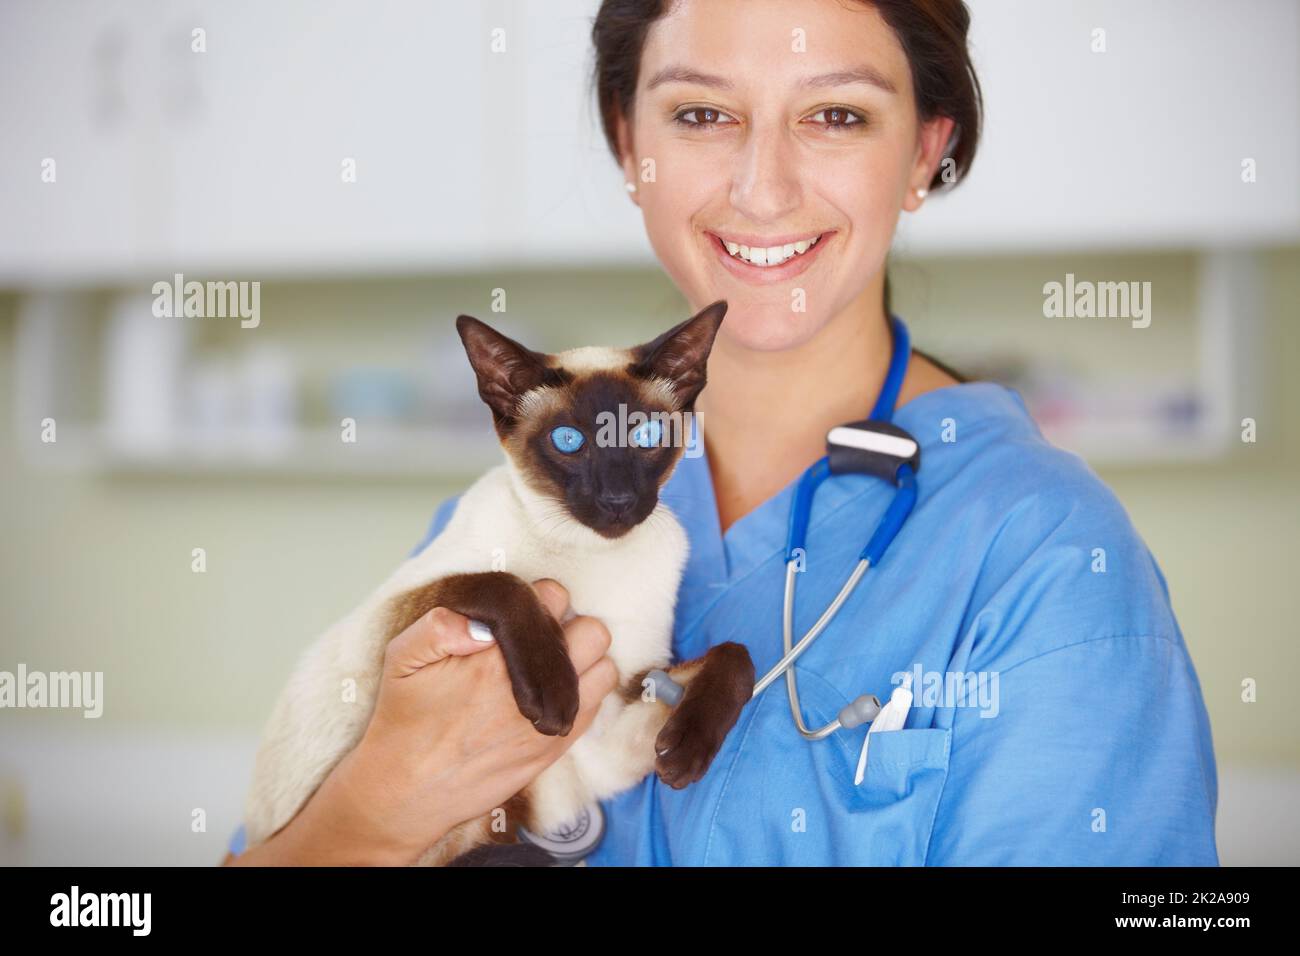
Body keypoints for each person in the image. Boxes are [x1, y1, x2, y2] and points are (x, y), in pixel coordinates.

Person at [227, 0, 1218, 865]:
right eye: (702, 113)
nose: (762, 186)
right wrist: (371, 812)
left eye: (836, 115)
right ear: (627, 144)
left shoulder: (1041, 558)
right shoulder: (512, 524)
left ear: (922, 152)